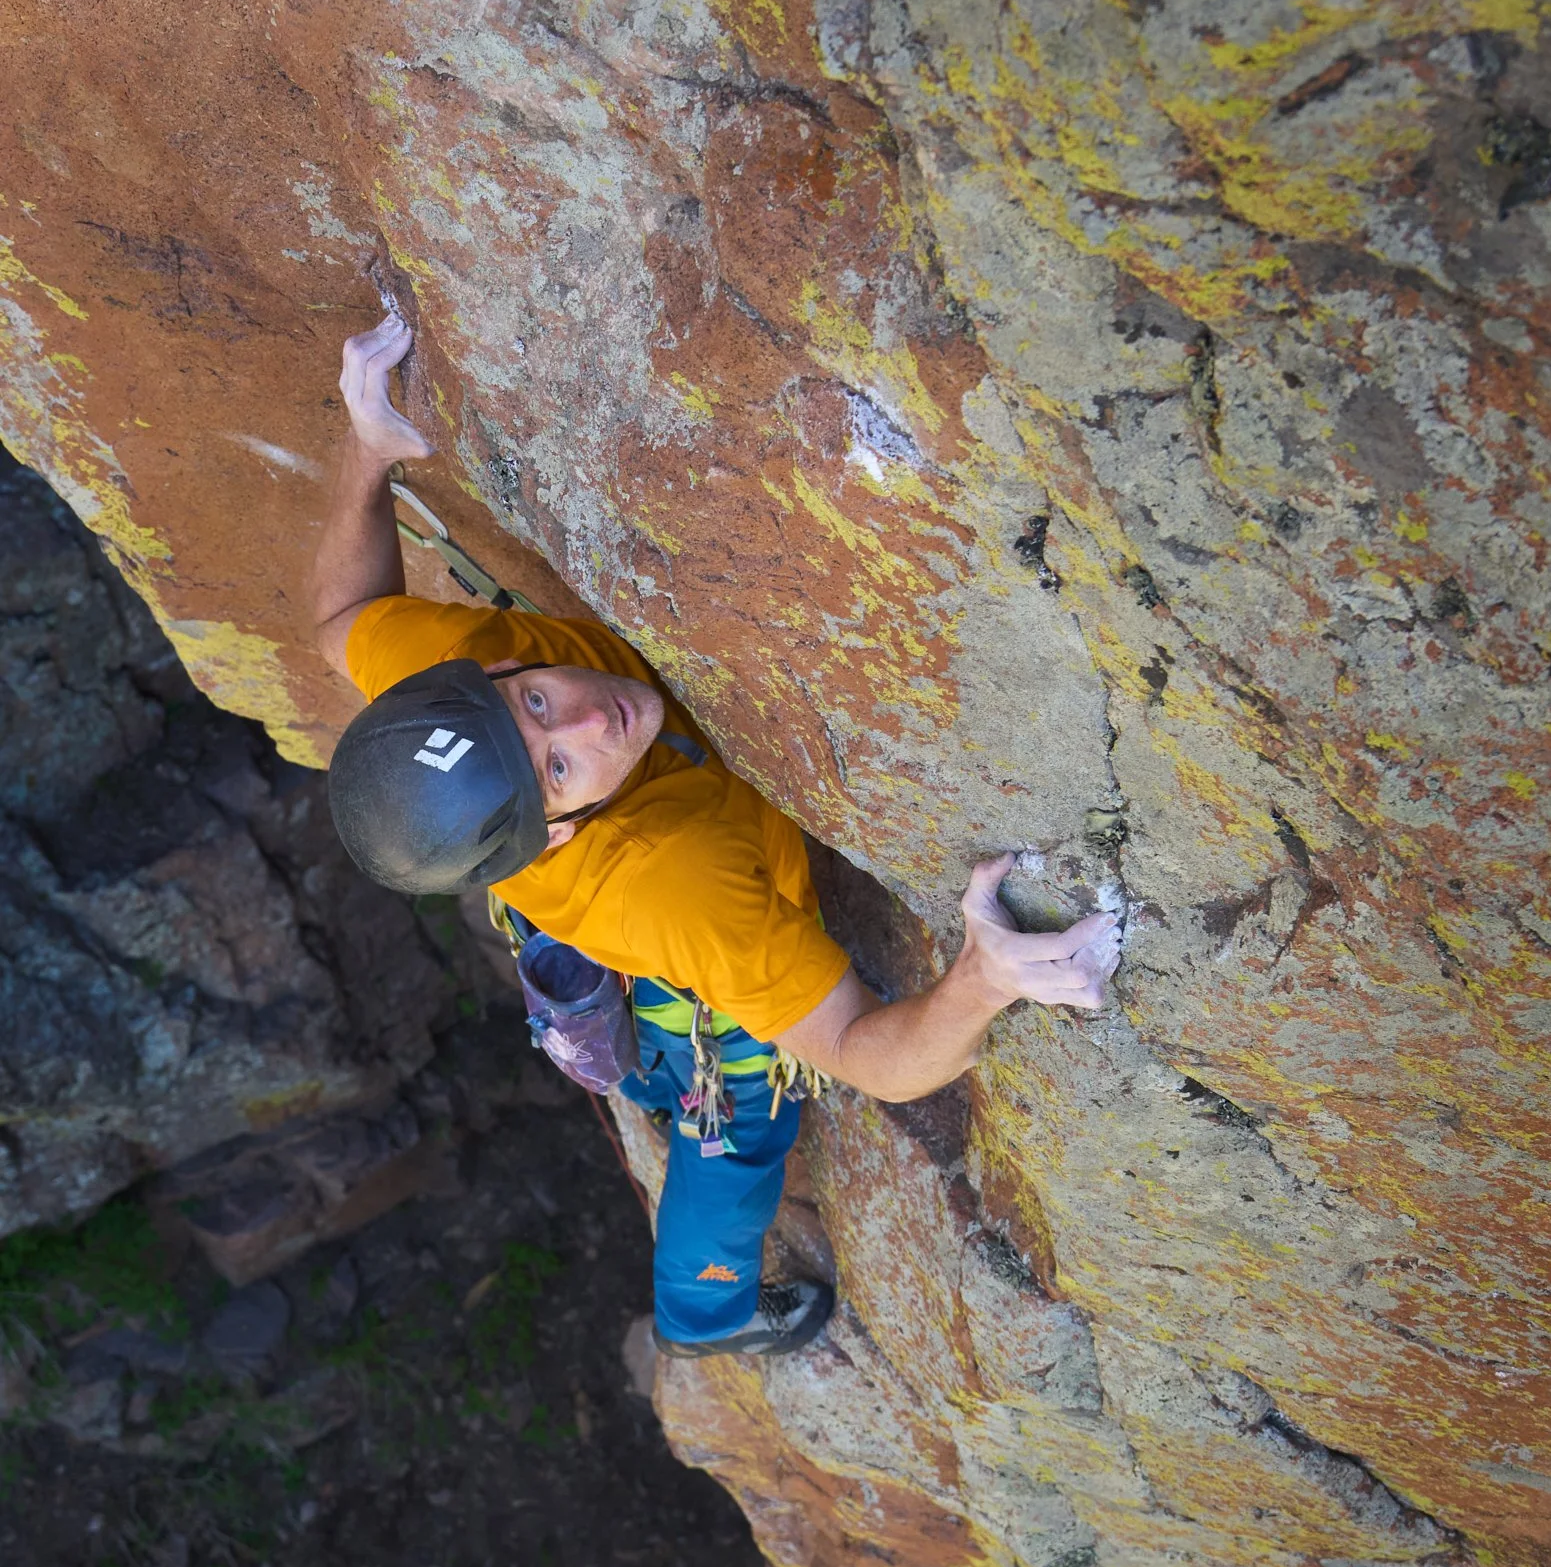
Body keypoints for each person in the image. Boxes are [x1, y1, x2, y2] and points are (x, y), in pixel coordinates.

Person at [312, 314, 1118, 1360]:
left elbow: (339, 618)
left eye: (537, 704)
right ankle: (705, 1319)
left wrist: (367, 449)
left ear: (487, 674)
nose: (589, 720)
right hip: (677, 948)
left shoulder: (447, 677)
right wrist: (985, 977)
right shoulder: (678, 884)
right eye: (557, 769)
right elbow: (865, 1057)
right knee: (732, 1137)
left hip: (597, 908)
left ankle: (651, 1095)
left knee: (667, 1071)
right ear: (549, 836)